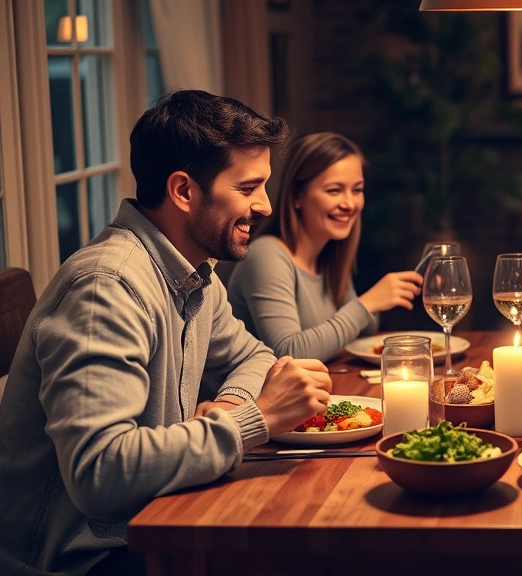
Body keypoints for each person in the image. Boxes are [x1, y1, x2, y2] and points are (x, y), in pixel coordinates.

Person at [0, 90, 334, 576]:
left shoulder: (195, 274)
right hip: (82, 557)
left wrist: (234, 404)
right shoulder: (107, 289)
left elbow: (255, 356)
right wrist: (254, 420)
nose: (264, 205)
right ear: (183, 191)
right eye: (247, 188)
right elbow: (100, 474)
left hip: (151, 521)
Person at [227, 132, 422, 361]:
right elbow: (289, 353)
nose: (349, 204)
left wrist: (369, 306)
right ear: (297, 196)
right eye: (334, 190)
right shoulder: (266, 255)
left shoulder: (329, 253)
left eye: (357, 190)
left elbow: (364, 332)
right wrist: (368, 303)